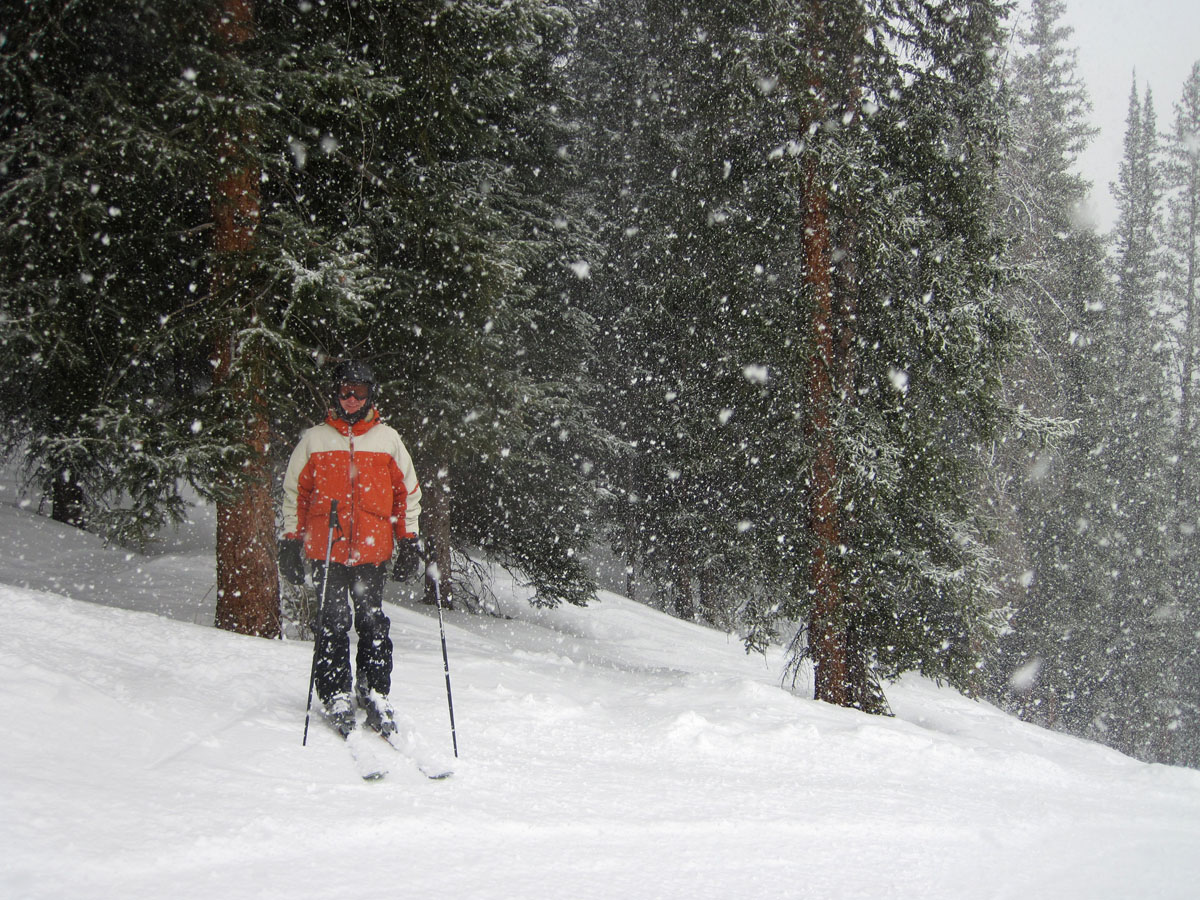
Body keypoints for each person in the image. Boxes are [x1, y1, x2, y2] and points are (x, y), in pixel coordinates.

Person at [278, 360, 423, 737]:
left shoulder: (388, 440)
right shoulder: (315, 440)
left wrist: (409, 540)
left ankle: (374, 691)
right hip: (326, 549)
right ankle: (335, 693)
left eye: (359, 391)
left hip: (372, 551)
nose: (352, 399)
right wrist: (291, 540)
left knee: (372, 621)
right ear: (336, 393)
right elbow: (295, 493)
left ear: (370, 394)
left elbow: (407, 493)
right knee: (333, 621)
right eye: (345, 391)